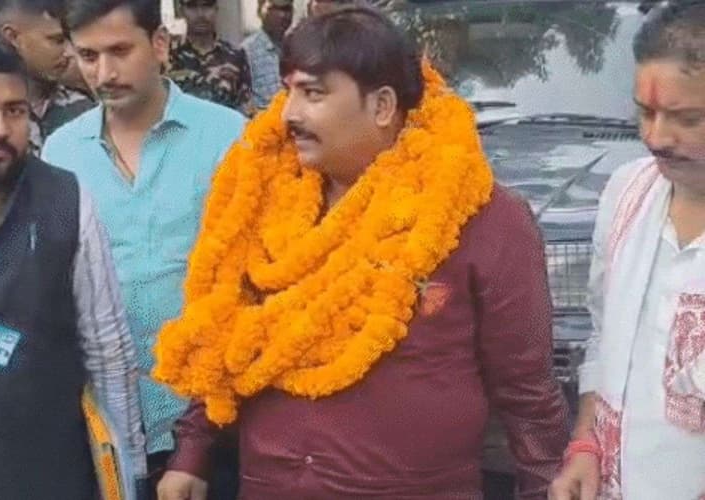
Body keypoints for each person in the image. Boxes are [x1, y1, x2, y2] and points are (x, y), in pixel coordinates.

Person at [154, 7, 569, 500]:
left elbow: (527, 393)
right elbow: (226, 334)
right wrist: (192, 454)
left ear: (382, 106)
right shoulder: (262, 203)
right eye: (288, 91)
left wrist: (546, 487)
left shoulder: (484, 218)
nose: (288, 114)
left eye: (313, 94)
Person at [41, 0, 245, 495]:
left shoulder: (228, 137)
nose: (104, 73)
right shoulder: (61, 153)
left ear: (159, 44)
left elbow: (254, 280)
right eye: (88, 56)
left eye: (119, 51)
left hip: (218, 417)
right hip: (112, 428)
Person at [0, 32, 146, 499]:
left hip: (53, 475)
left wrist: (129, 477)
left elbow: (109, 353)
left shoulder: (67, 200)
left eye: (14, 111)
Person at [550, 3, 705, 500]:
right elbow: (604, 336)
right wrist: (585, 445)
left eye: (687, 119)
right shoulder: (626, 195)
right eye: (645, 112)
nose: (656, 138)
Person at [0, 0, 94, 152]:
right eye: (57, 40)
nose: (69, 52)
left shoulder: (82, 108)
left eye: (71, 40)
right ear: (13, 37)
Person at [168, 0, 252, 114]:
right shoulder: (168, 55)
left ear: (216, 9)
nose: (200, 14)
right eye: (192, 6)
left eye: (207, 5)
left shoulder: (235, 56)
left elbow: (245, 109)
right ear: (181, 10)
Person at [241, 0, 292, 110]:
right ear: (260, 11)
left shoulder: (296, 46)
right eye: (275, 9)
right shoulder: (247, 51)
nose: (282, 15)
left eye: (287, 9)